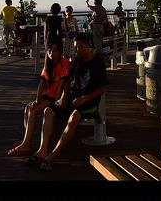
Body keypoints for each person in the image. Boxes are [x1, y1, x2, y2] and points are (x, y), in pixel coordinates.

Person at [27, 32, 107, 171]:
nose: (78, 50)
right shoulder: (77, 61)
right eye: (76, 47)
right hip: (75, 96)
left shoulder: (98, 63)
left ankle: (52, 156)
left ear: (88, 45)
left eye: (80, 47)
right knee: (48, 111)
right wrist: (63, 97)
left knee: (74, 117)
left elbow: (101, 89)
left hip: (89, 99)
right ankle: (42, 150)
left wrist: (84, 98)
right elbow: (67, 82)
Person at [7, 39, 71, 157]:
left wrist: (57, 103)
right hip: (48, 96)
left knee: (34, 110)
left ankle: (26, 145)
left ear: (60, 52)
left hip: (54, 98)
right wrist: (37, 99)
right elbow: (42, 83)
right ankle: (27, 139)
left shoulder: (64, 62)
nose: (52, 52)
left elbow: (62, 85)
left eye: (55, 50)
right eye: (49, 50)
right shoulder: (48, 64)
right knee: (28, 108)